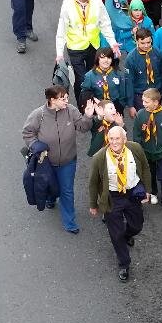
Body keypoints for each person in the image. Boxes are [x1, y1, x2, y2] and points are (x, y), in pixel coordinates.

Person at [22, 86, 93, 234]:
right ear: (52, 100)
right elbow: (28, 132)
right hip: (46, 162)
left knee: (67, 191)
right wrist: (35, 145)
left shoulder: (71, 110)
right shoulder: (38, 115)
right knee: (51, 187)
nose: (67, 100)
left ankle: (70, 222)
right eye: (63, 98)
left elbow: (83, 127)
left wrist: (87, 116)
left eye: (67, 97)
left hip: (68, 161)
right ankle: (50, 198)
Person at [87, 126, 152, 282]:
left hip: (132, 194)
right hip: (112, 197)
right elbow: (93, 183)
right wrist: (93, 205)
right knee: (115, 233)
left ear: (124, 138)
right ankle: (124, 264)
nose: (114, 142)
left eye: (117, 139)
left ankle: (127, 235)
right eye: (111, 139)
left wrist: (148, 191)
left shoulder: (135, 148)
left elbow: (145, 168)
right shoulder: (99, 157)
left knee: (137, 225)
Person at [56, 0, 121, 107]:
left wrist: (112, 42)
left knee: (95, 76)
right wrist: (59, 53)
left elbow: (105, 23)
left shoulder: (97, 2)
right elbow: (61, 30)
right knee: (81, 78)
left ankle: (96, 103)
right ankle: (83, 106)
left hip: (93, 46)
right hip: (75, 48)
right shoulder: (67, 5)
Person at [132, 88, 162, 213]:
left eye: (146, 102)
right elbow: (136, 134)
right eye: (143, 101)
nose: (143, 104)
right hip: (146, 152)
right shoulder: (140, 114)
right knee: (150, 174)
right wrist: (138, 150)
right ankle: (153, 192)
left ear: (156, 102)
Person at [80, 48, 132, 155]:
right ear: (97, 59)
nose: (106, 60)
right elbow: (84, 92)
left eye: (109, 57)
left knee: (118, 132)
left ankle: (118, 154)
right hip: (100, 110)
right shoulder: (90, 75)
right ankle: (99, 154)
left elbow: (123, 92)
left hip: (115, 108)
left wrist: (120, 105)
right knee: (99, 133)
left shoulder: (118, 73)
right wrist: (94, 108)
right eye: (102, 57)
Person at [125, 27, 162, 117]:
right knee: (144, 123)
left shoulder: (158, 53)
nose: (146, 45)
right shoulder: (131, 59)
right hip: (141, 96)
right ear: (137, 41)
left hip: (157, 93)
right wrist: (131, 105)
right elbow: (129, 82)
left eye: (148, 42)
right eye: (142, 43)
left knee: (159, 120)